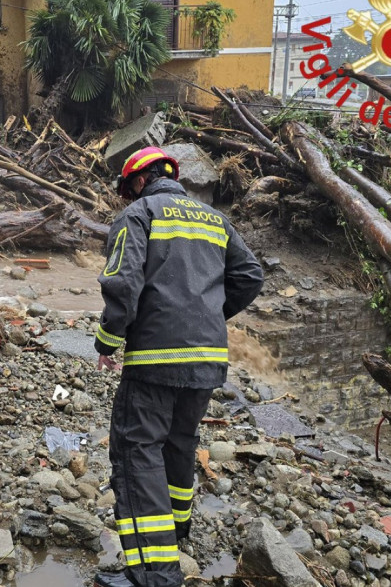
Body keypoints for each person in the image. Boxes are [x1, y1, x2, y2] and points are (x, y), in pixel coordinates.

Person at [93, 147, 264, 587]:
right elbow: (250, 276)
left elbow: (123, 282)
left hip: (153, 360)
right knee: (180, 441)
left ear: (136, 182)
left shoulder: (140, 214)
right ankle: (178, 530)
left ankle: (155, 574)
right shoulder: (213, 219)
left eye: (128, 189)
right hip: (207, 359)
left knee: (137, 452)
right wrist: (206, 316)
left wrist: (108, 340)